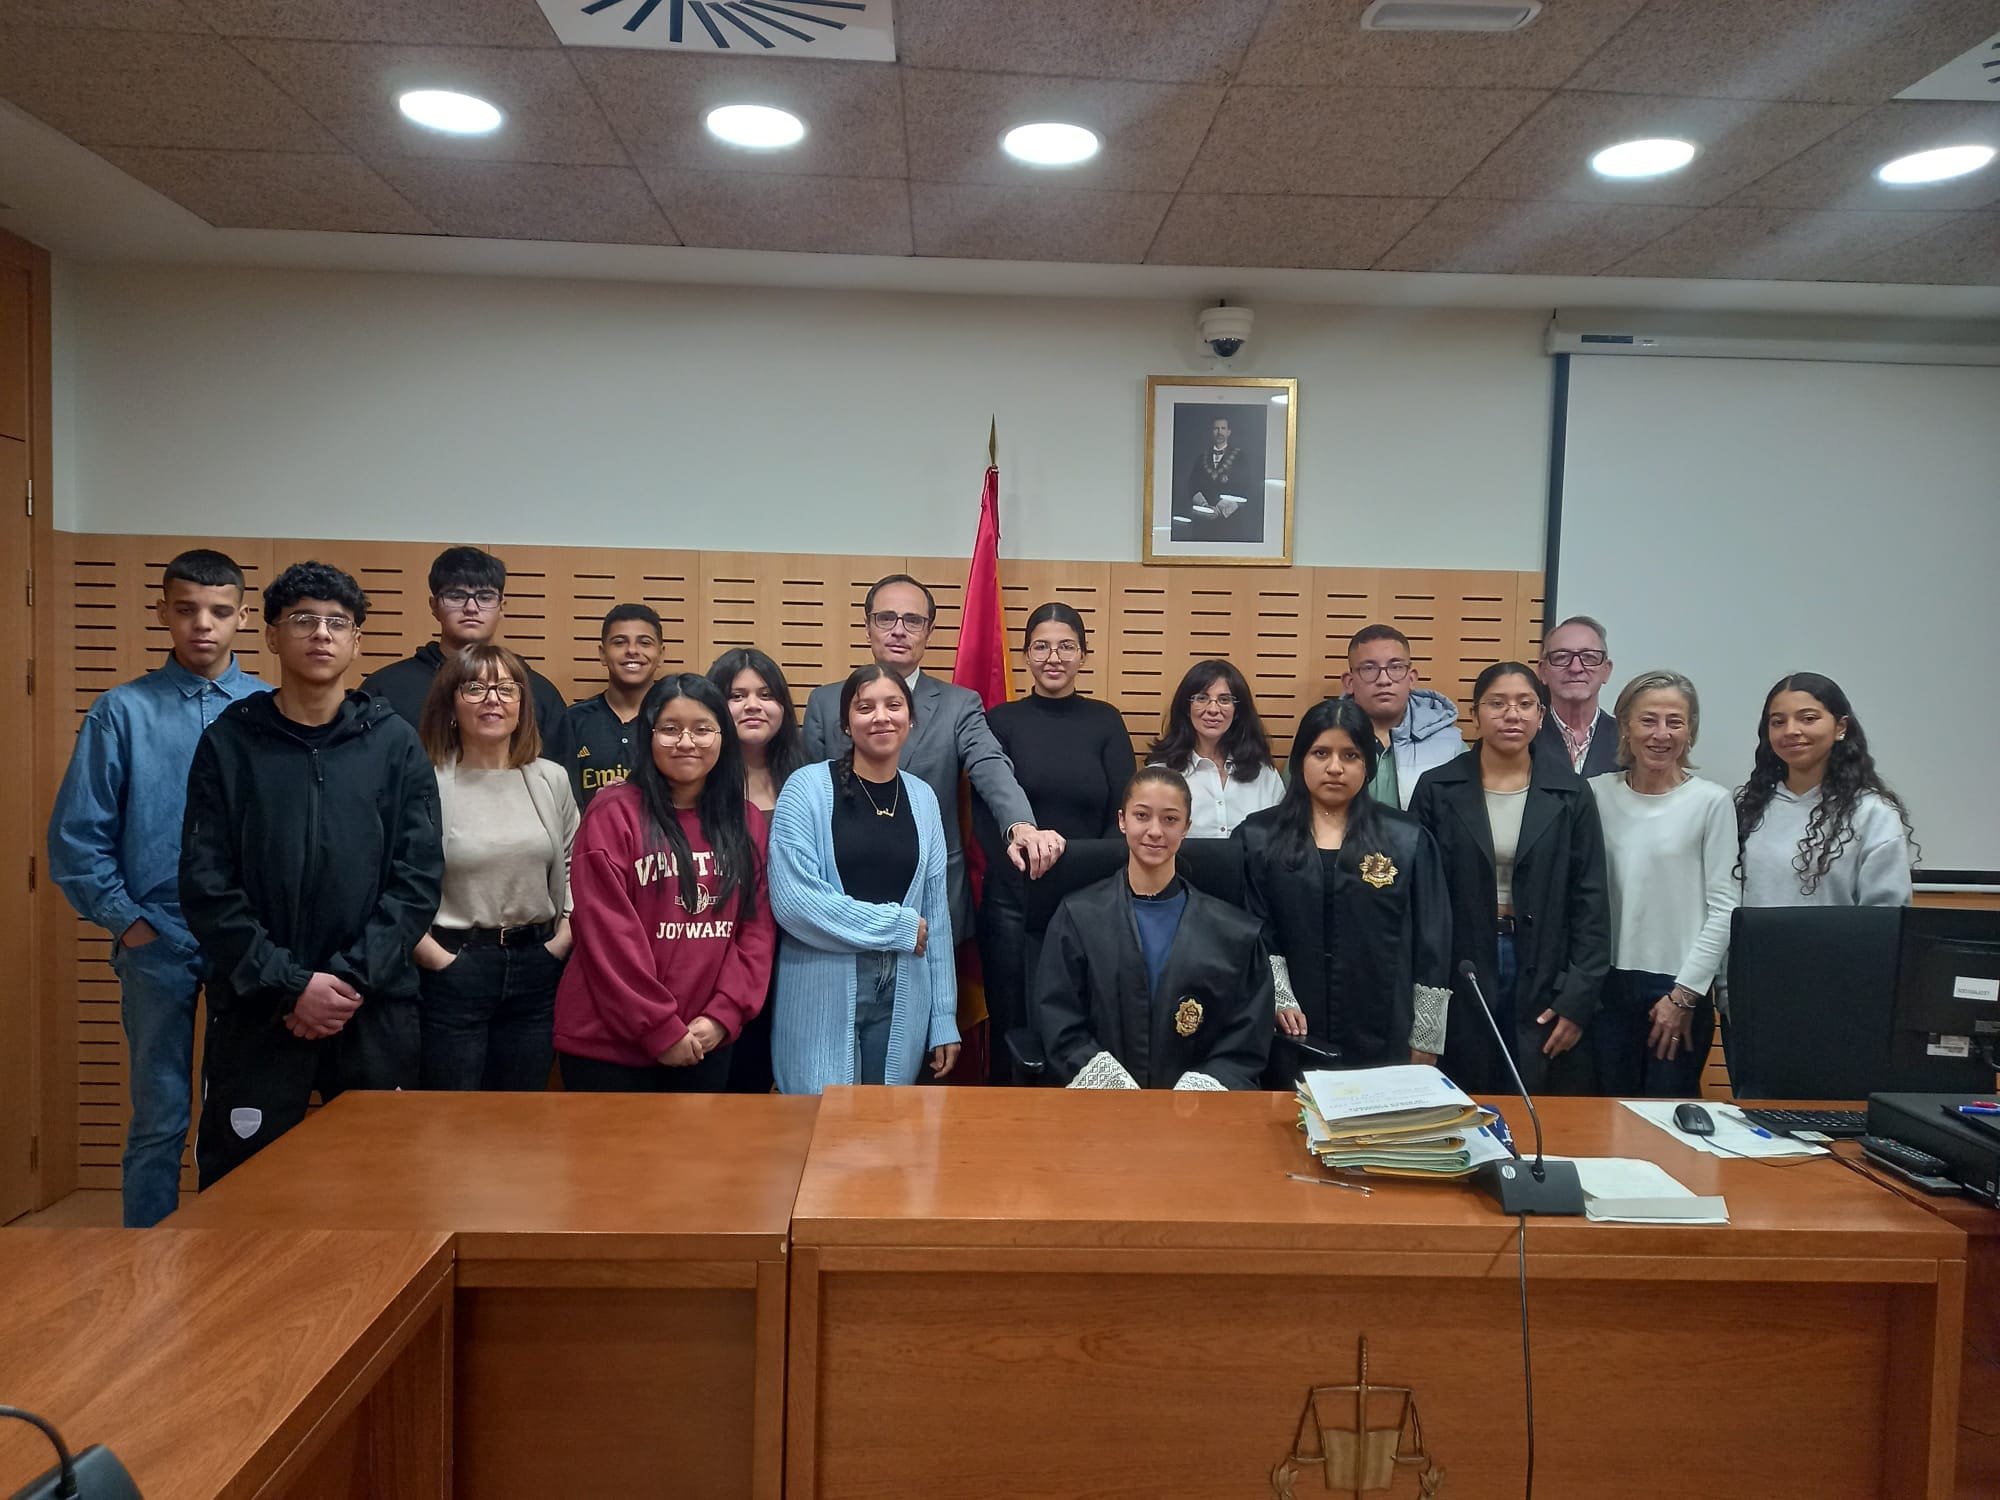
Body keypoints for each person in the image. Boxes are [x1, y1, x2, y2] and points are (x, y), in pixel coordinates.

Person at [180, 561, 443, 1186]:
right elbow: (206, 882)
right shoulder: (230, 742)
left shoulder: (394, 742)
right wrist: (291, 985)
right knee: (247, 1189)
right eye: (303, 619)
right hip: (259, 1005)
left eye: (337, 622)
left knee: (383, 1185)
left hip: (372, 1004)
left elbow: (418, 878)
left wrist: (346, 982)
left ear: (356, 642)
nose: (320, 633)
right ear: (271, 635)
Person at [47, 549, 270, 1226]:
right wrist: (130, 924)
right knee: (161, 1111)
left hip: (246, 936)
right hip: (156, 935)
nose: (202, 625)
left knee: (240, 1109)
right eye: (186, 609)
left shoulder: (267, 707)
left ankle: (230, 1251)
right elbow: (77, 837)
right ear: (163, 613)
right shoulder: (122, 711)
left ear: (242, 618)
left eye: (219, 611)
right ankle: (145, 1258)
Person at [801, 573, 1061, 937]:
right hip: (844, 890)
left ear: (928, 631)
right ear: (867, 627)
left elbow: (990, 764)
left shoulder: (960, 705)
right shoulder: (826, 703)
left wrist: (1020, 824)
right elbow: (805, 797)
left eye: (913, 621)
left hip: (930, 892)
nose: (898, 630)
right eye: (886, 618)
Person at [555, 675, 775, 1093]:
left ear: (723, 737)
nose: (686, 742)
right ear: (648, 736)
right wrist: (658, 1028)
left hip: (704, 1040)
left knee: (695, 1161)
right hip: (609, 1046)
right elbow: (606, 935)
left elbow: (756, 931)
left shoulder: (744, 821)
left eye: (703, 729)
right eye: (670, 729)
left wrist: (722, 1015)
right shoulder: (612, 812)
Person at [1411, 661, 1609, 1096]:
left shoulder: (1571, 791)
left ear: (1541, 715)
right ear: (1475, 714)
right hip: (1461, 961)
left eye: (1525, 704)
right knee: (1465, 1087)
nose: (1511, 714)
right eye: (1497, 703)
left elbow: (1590, 901)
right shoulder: (1437, 787)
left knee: (1535, 1088)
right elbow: (1417, 900)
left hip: (1542, 962)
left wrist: (1577, 1000)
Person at [1236, 698, 1452, 1077]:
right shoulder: (1257, 838)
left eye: (1350, 755)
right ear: (1300, 758)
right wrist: (1279, 998)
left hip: (1384, 1033)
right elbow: (1250, 930)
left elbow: (1433, 941)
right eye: (1321, 753)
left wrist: (1427, 1035)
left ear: (1366, 764)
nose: (1335, 767)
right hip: (1284, 1031)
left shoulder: (1406, 838)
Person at [770, 665, 958, 1093]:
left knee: (886, 1130)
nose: (881, 717)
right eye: (865, 707)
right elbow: (795, 903)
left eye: (894, 705)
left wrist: (944, 1017)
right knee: (818, 1132)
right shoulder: (806, 789)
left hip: (904, 989)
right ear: (846, 723)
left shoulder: (923, 798)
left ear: (911, 720)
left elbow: (936, 914)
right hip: (821, 984)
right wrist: (898, 927)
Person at [1035, 766, 1273, 1090]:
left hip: (1199, 1117)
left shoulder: (1234, 933)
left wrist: (1199, 1090)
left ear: (1187, 827)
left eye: (1170, 819)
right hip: (1098, 1113)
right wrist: (1110, 1084)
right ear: (1122, 820)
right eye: (1142, 816)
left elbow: (1246, 1035)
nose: (1155, 831)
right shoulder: (1078, 917)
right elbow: (1059, 1018)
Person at [976, 603, 1136, 1082]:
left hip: (1093, 902)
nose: (1054, 657)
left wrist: (1084, 869)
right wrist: (1028, 865)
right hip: (1014, 902)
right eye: (1041, 646)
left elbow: (1123, 814)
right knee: (1015, 1029)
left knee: (1089, 1028)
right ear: (1025, 655)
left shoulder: (1105, 721)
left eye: (1066, 646)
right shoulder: (1000, 721)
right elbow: (986, 813)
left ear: (1083, 655)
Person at [411, 644, 579, 1092]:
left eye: (507, 688)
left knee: (520, 1124)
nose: (493, 699)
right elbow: (397, 880)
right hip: (452, 967)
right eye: (476, 687)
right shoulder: (424, 781)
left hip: (537, 966)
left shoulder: (550, 778)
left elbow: (573, 865)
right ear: (450, 704)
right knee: (450, 1123)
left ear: (522, 705)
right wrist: (436, 958)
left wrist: (560, 944)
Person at [1588, 671, 1737, 1098]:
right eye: (1648, 720)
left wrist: (1684, 996)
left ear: (1690, 731)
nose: (1661, 734)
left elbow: (1725, 906)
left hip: (1677, 988)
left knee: (1666, 1119)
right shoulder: (1595, 794)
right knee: (1603, 1116)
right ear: (1625, 727)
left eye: (1675, 721)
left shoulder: (1711, 802)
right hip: (1607, 986)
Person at [362, 545, 570, 761]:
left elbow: (561, 782)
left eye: (485, 597)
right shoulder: (385, 688)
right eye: (456, 595)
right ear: (434, 606)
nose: (471, 607)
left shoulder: (538, 692)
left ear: (502, 607)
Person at [707, 646, 806, 1094]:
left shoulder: (809, 780)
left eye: (766, 694)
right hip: (714, 968)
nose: (752, 705)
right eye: (736, 695)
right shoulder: (694, 783)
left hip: (795, 964)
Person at [1735, 673, 1915, 908]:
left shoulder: (1873, 813)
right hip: (1753, 945)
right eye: (1778, 722)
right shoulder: (1749, 807)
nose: (1791, 730)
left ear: (1840, 727)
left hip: (1841, 945)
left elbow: (1886, 915)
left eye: (1808, 719)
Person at [1147, 659, 1283, 838]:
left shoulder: (1264, 774)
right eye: (1202, 698)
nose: (1213, 709)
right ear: (1187, 708)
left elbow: (1282, 837)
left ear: (1237, 711)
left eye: (1224, 700)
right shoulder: (1160, 774)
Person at [1338, 624, 1467, 809]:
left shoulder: (1451, 745)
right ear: (1349, 682)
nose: (1384, 680)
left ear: (1411, 678)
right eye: (1369, 668)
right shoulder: (1320, 738)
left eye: (1396, 667)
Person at [559, 603, 664, 812]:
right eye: (619, 642)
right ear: (602, 653)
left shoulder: (674, 723)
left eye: (644, 642)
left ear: (660, 654)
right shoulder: (571, 721)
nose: (632, 651)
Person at [1534, 615, 1619, 778]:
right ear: (1543, 671)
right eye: (1561, 657)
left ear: (1606, 671)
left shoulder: (1629, 740)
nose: (1575, 668)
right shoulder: (1524, 739)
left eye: (1589, 657)